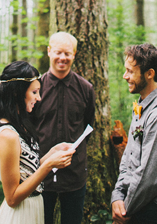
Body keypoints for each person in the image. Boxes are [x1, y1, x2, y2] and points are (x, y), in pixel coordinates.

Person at [0, 61, 76, 224]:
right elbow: (12, 198)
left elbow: (25, 173)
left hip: (33, 210)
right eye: (35, 92)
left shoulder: (15, 126)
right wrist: (48, 165)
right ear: (17, 93)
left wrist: (51, 154)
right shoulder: (7, 135)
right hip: (20, 215)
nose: (39, 97)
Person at [111, 43, 157, 224]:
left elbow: (150, 178)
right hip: (137, 210)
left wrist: (124, 211)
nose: (124, 76)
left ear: (149, 74)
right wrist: (117, 196)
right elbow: (128, 158)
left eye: (130, 71)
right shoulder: (142, 106)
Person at [32, 32, 96, 224]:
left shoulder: (86, 89)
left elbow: (89, 125)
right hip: (41, 174)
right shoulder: (36, 87)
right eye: (58, 52)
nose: (63, 58)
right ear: (49, 51)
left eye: (67, 54)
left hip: (74, 174)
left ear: (74, 55)